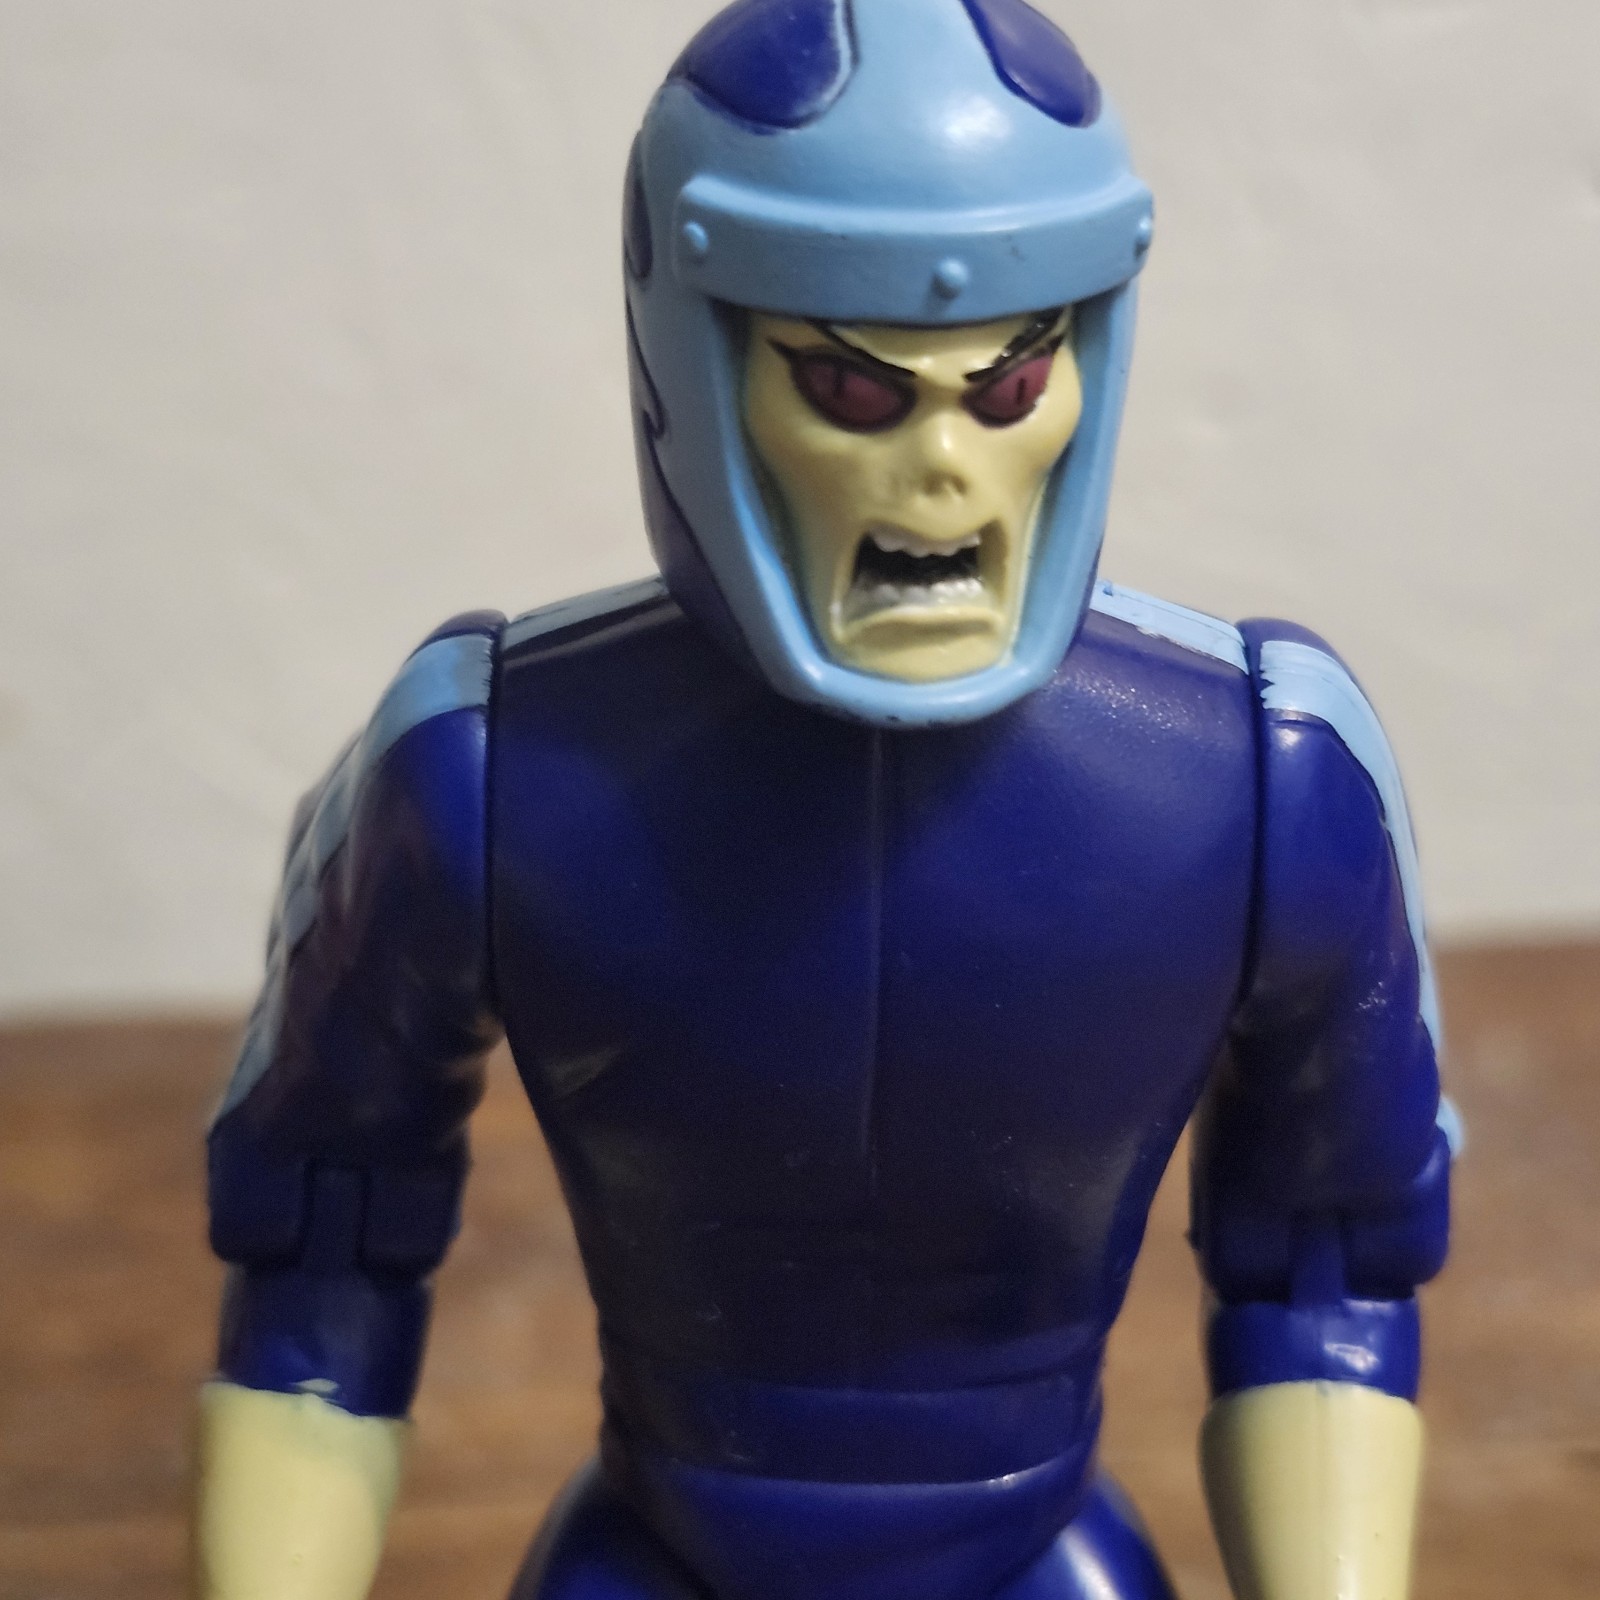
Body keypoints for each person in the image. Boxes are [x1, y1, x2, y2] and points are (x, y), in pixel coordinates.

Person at [193, 2, 1454, 1597]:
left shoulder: (1264, 776)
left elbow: (1326, 1265)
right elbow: (326, 1237)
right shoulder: (486, 771)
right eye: (856, 394)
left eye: (1009, 385)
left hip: (1039, 1557)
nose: (944, 469)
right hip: (660, 1549)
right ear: (694, 363)